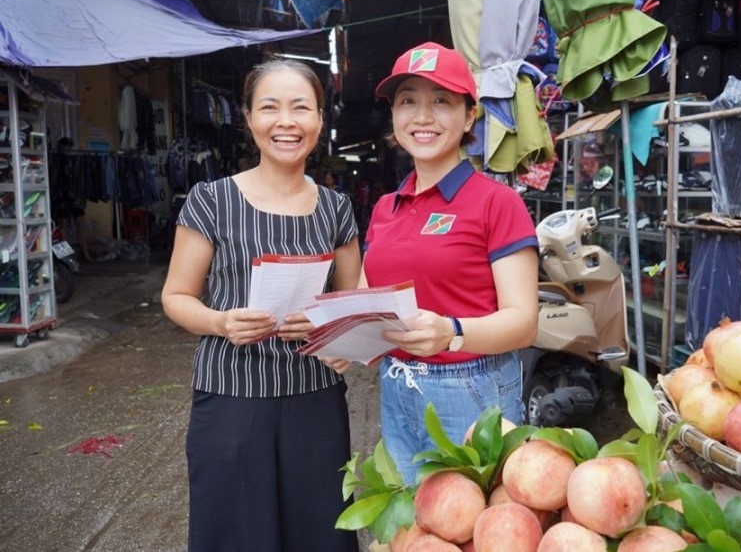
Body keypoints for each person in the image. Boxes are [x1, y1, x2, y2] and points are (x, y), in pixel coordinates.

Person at [161, 58, 361, 552]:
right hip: (232, 399)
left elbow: (353, 300)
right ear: (249, 119)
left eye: (301, 108)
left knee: (319, 533)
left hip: (315, 398)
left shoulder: (336, 208)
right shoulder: (211, 200)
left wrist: (341, 337)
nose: (286, 122)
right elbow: (175, 296)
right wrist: (220, 320)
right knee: (235, 532)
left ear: (319, 119)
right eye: (270, 107)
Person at [321, 42, 539, 485]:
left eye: (441, 100)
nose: (422, 117)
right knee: (416, 522)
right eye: (408, 102)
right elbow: (370, 299)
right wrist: (341, 338)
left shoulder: (499, 203)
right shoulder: (386, 207)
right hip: (398, 387)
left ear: (469, 116)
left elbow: (524, 323)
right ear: (395, 117)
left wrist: (452, 332)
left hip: (472, 388)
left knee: (476, 526)